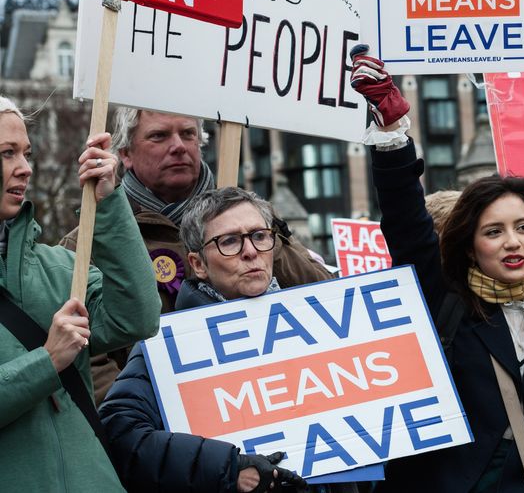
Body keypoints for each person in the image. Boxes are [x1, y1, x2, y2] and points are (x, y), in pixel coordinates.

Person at [350, 45, 524, 492]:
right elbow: (407, 223)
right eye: (494, 232)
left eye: (523, 228)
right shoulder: (446, 299)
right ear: (471, 248)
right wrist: (393, 133)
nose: (513, 242)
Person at [62, 107, 333, 402]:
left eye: (188, 134)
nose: (178, 146)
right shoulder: (89, 242)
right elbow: (83, 353)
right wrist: (148, 411)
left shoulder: (252, 217)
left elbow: (329, 300)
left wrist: (255, 234)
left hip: (265, 398)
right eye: (159, 136)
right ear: (125, 153)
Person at [98, 187, 311, 493]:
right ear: (198, 264)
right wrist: (230, 468)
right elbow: (120, 434)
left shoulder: (313, 321)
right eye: (229, 241)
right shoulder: (165, 346)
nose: (250, 251)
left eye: (259, 236)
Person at [0, 95, 159, 491]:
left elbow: (137, 318)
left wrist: (110, 201)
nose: (25, 168)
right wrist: (47, 361)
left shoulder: (60, 268)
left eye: (27, 153)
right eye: (7, 153)